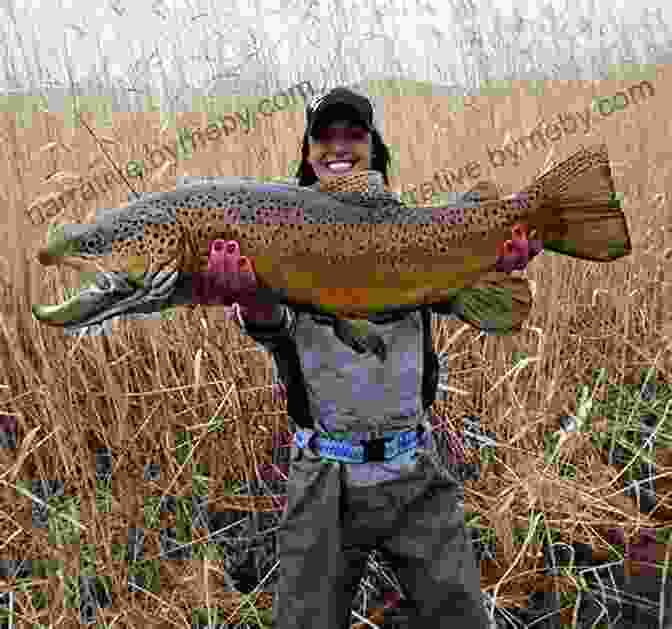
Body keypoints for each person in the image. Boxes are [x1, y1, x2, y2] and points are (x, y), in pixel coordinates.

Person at [202, 87, 541, 629]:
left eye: (353, 135)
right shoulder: (276, 232)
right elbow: (271, 326)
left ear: (375, 148)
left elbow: (478, 297)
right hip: (323, 478)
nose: (338, 147)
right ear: (307, 153)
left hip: (416, 468)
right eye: (324, 137)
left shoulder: (408, 229)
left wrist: (498, 260)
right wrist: (248, 294)